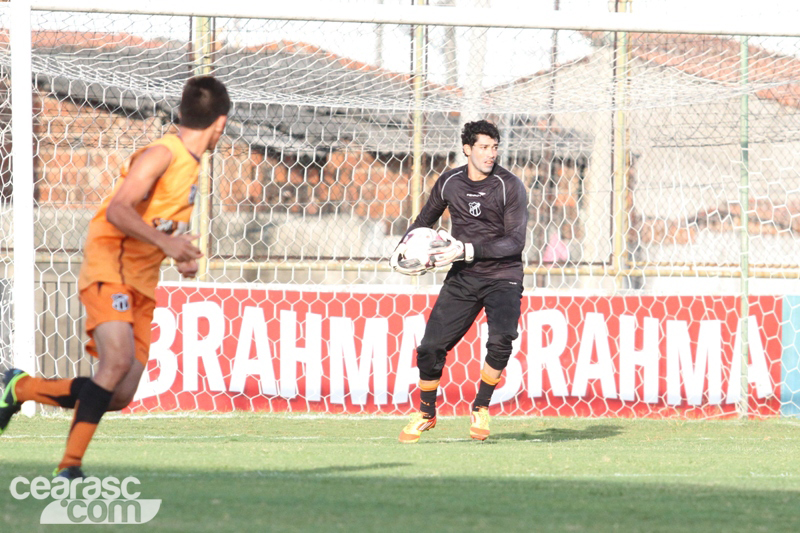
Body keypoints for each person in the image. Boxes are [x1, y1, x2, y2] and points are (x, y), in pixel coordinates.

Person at [0, 76, 230, 478]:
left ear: (181, 112)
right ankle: (69, 467)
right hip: (109, 266)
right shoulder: (162, 153)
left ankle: (19, 388)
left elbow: (155, 221)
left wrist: (178, 252)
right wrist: (167, 240)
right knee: (116, 361)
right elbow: (118, 210)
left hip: (142, 282)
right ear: (221, 123)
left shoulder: (190, 169)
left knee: (120, 394)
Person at [390, 119, 528, 443]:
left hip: (503, 275)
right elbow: (424, 221)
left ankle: (480, 406)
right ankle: (426, 413)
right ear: (467, 149)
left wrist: (467, 249)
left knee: (502, 339)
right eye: (483, 147)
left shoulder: (510, 186)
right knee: (429, 348)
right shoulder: (450, 181)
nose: (490, 154)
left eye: (494, 147)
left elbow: (516, 242)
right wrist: (405, 247)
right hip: (464, 277)